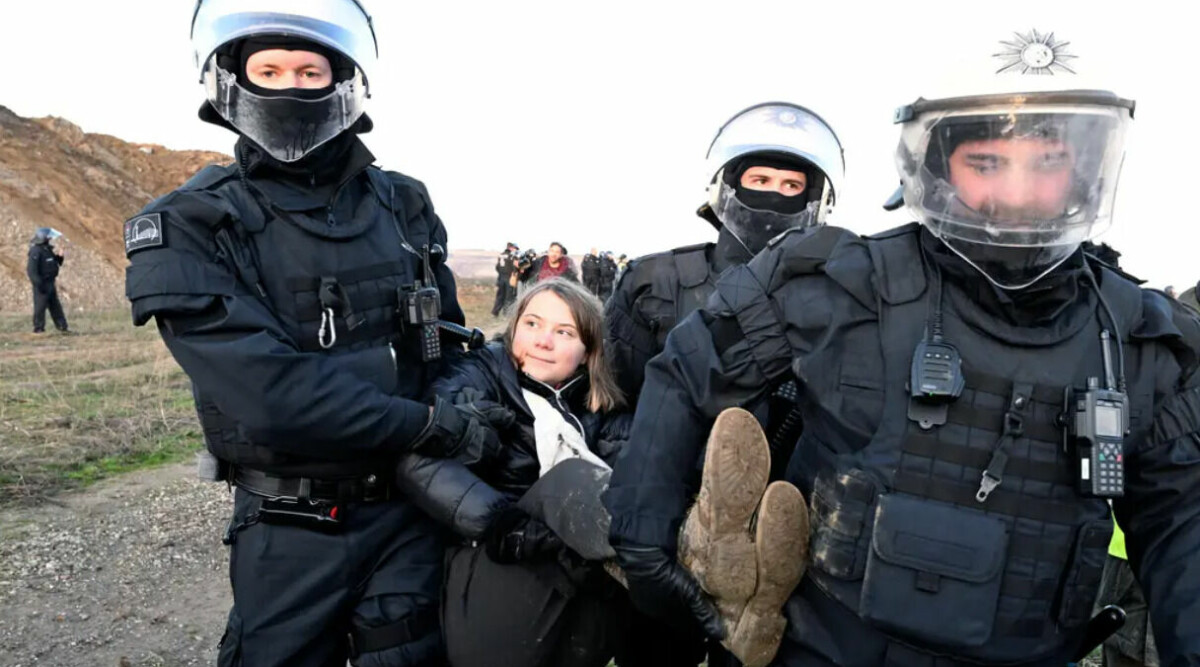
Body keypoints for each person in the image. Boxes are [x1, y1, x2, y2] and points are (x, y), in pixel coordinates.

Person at [603, 77, 1200, 667]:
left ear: (1087, 171)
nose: (1017, 188)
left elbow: (1184, 525)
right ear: (937, 168)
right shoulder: (840, 282)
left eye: (1047, 161)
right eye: (987, 162)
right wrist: (643, 536)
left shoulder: (1143, 342)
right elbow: (685, 371)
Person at [124, 3, 498, 665]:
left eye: (308, 70)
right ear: (233, 81)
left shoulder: (404, 203)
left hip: (410, 512)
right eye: (268, 70)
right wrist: (428, 424)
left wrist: (467, 400)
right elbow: (271, 394)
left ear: (343, 79)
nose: (290, 87)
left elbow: (450, 339)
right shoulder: (192, 223)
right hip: (286, 526)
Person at [395, 278, 632, 667]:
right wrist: (504, 523)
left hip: (577, 584)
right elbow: (415, 461)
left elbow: (639, 460)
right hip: (494, 572)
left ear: (589, 352)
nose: (543, 341)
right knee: (572, 478)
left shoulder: (596, 409)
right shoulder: (477, 377)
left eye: (564, 332)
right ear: (514, 327)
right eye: (533, 324)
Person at [26, 227, 69, 333]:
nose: (50, 239)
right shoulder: (35, 251)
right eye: (48, 237)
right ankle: (39, 329)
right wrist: (39, 284)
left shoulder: (47, 249)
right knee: (40, 307)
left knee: (55, 306)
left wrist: (60, 257)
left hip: (50, 283)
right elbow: (31, 271)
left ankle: (62, 327)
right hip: (42, 284)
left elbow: (54, 263)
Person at [493, 242, 520, 316]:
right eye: (515, 248)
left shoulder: (501, 255)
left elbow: (497, 267)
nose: (516, 250)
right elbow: (514, 266)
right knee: (509, 296)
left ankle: (495, 311)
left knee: (500, 295)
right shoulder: (512, 255)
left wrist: (501, 273)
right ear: (511, 248)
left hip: (501, 277)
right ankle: (507, 312)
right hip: (509, 277)